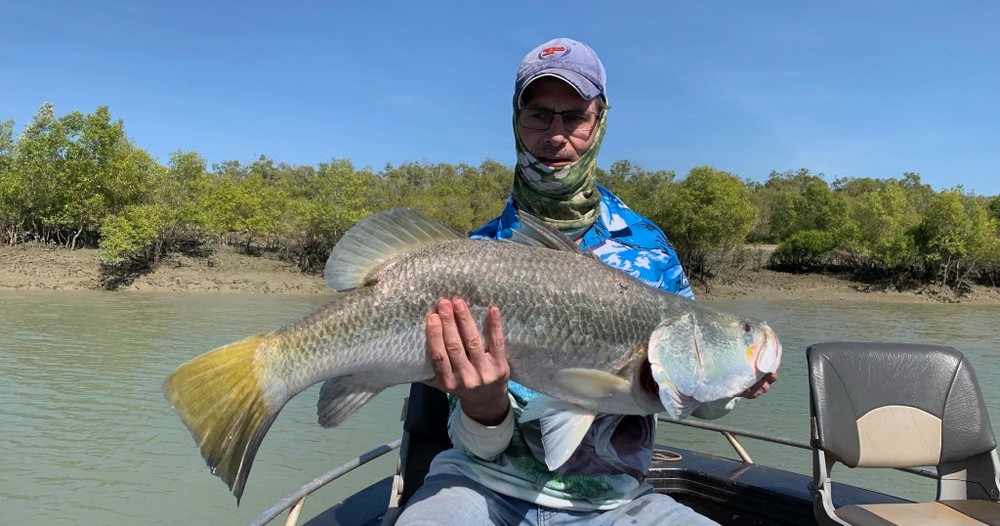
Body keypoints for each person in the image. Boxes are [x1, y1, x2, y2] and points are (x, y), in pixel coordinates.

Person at [396, 37, 776, 526]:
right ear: (516, 120)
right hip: (479, 486)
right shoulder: (473, 257)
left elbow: (691, 392)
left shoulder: (650, 249)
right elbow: (477, 444)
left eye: (574, 115)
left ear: (599, 121)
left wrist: (732, 386)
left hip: (616, 502)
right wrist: (484, 405)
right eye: (539, 115)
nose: (556, 135)